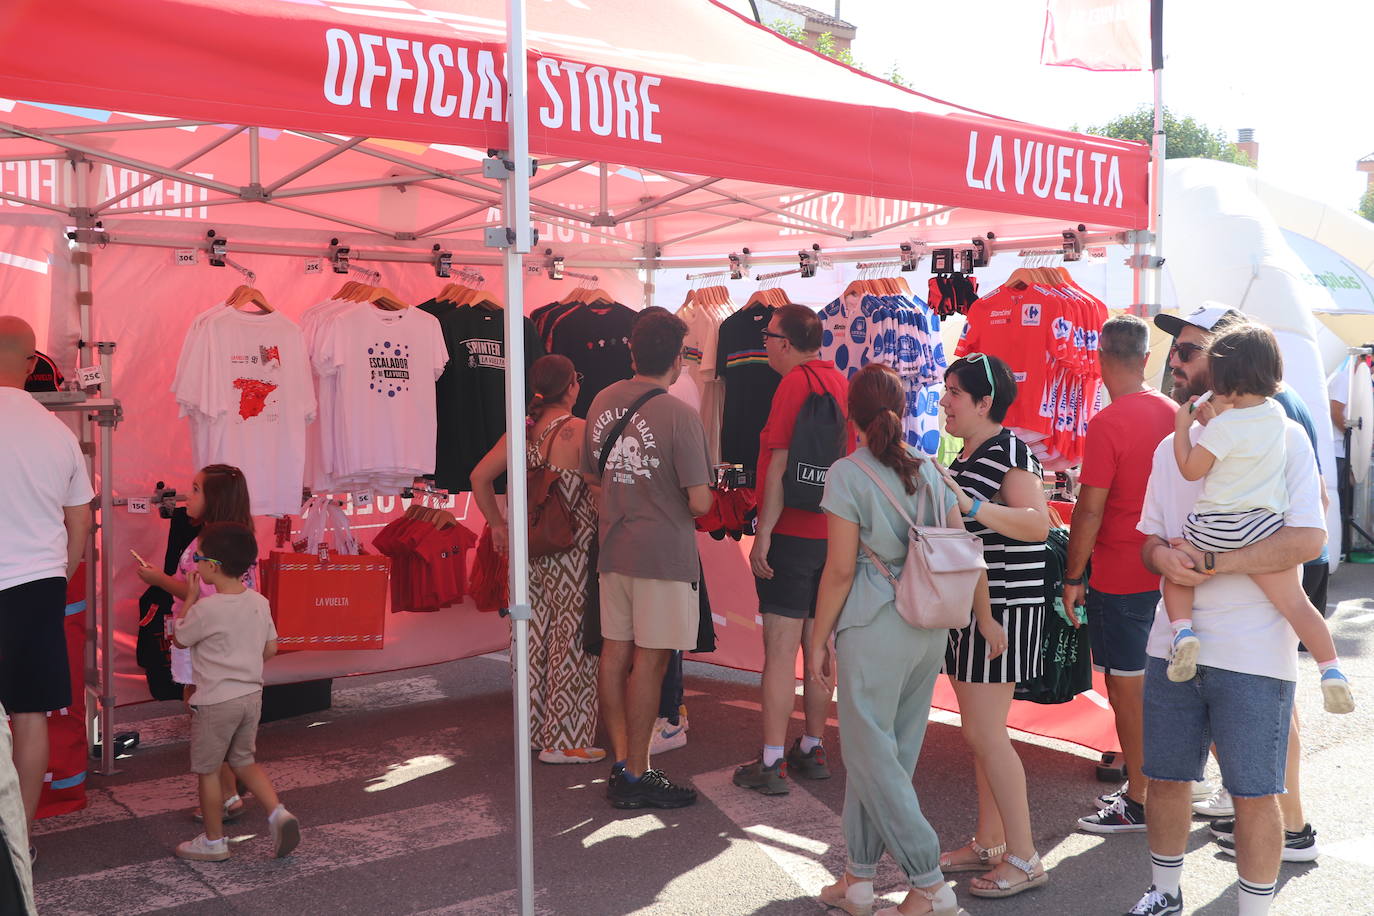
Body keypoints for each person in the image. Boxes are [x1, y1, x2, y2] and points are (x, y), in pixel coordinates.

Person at [1124, 305, 1327, 915]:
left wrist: (1214, 562)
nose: (1178, 362)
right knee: (1165, 780)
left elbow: (1308, 541)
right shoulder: (1171, 447)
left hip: (1255, 652)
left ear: (1229, 365)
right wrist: (1163, 559)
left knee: (1255, 794)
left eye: (1191, 351)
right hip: (1174, 643)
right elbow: (1150, 538)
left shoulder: (1286, 436)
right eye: (1177, 351)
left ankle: (1255, 908)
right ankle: (1163, 893)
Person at [808, 363, 990, 916]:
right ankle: (858, 879)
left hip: (874, 623)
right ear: (904, 408)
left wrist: (818, 639)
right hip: (929, 625)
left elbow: (839, 570)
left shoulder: (847, 473)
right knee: (887, 758)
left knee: (872, 756)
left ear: (851, 412)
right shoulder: (931, 469)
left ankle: (930, 884)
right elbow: (961, 547)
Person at [1161, 324, 1351, 712]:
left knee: (1177, 569)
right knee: (1297, 604)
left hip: (1214, 528)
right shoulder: (1279, 418)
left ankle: (1182, 633)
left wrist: (1184, 430)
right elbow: (1246, 446)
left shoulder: (1224, 428)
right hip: (1264, 528)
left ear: (1222, 375)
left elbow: (1191, 469)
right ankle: (1331, 670)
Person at [581, 309, 712, 809]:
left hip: (614, 546)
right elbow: (699, 501)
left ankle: (622, 762)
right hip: (663, 552)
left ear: (632, 350)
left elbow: (592, 476)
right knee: (651, 662)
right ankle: (638, 771)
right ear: (678, 359)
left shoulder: (601, 400)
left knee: (615, 653)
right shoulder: (681, 415)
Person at [933, 353, 1050, 900]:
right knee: (981, 735)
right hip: (978, 608)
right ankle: (991, 842)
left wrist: (974, 506)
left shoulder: (1009, 452)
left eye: (954, 392)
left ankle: (1025, 857)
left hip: (1002, 609)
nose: (944, 401)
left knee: (986, 735)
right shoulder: (971, 454)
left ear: (985, 402)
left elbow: (1037, 526)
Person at [1066, 315, 1178, 835]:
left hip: (1120, 574)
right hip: (1170, 573)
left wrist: (1072, 577)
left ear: (1100, 359)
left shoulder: (1108, 424)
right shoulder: (1176, 414)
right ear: (1146, 359)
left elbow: (1089, 510)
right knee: (1174, 685)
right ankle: (1166, 787)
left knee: (1127, 691)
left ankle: (1139, 796)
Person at [736, 303, 848, 795]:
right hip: (834, 537)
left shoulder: (793, 384)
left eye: (768, 337)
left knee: (780, 653)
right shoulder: (842, 382)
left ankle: (772, 760)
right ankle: (813, 746)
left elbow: (779, 466)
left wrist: (762, 534)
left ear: (785, 342)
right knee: (820, 645)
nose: (764, 344)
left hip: (793, 535)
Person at [471, 354, 603, 765]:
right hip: (572, 552)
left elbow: (478, 476)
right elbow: (599, 490)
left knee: (529, 637)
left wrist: (497, 525)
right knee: (572, 642)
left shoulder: (519, 434)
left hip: (527, 553)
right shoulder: (580, 431)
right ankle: (565, 740)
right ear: (572, 387)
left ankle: (532, 729)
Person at [0, 316, 94, 852]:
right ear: (34, 363)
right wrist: (60, 574)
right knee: (30, 715)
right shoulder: (57, 433)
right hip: (36, 583)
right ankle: (19, 840)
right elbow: (79, 521)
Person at [134, 464, 257, 822]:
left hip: (207, 640)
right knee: (215, 715)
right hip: (224, 640)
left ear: (215, 499)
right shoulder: (235, 537)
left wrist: (158, 579)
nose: (189, 497)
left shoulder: (210, 543)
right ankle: (233, 781)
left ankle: (228, 795)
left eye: (196, 489)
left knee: (206, 717)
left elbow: (201, 592)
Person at [171, 522, 300, 861]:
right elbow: (270, 648)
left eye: (197, 558)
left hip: (215, 701)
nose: (194, 564)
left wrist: (188, 599)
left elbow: (180, 638)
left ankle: (214, 842)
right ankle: (277, 813)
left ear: (212, 565)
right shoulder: (259, 602)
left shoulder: (205, 609)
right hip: (251, 697)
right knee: (244, 760)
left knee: (209, 770)